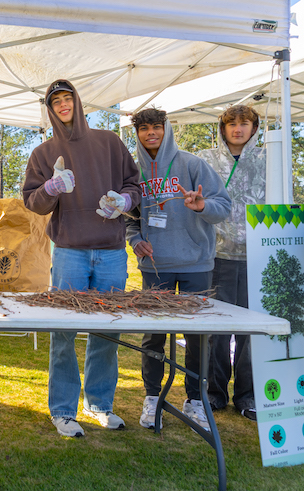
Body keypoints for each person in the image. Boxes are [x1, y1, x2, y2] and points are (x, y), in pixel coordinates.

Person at [23, 79, 140, 437]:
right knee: (63, 330)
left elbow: (134, 185)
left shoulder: (109, 142)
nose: (63, 105)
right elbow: (33, 202)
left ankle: (99, 404)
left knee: (107, 330)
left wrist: (124, 202)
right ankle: (62, 410)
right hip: (69, 251)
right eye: (55, 101)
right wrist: (51, 188)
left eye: (67, 98)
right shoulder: (44, 153)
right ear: (50, 109)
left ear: (77, 101)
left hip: (111, 252)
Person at [126, 108, 231, 431]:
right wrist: (135, 240)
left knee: (197, 336)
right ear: (137, 134)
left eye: (156, 127)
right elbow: (128, 217)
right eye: (144, 128)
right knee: (153, 334)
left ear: (166, 128)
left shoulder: (192, 164)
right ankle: (152, 397)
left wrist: (202, 206)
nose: (151, 133)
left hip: (195, 263)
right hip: (156, 265)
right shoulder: (132, 171)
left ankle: (195, 399)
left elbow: (223, 207)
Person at [199, 105, 265, 422]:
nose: (238, 129)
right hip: (218, 255)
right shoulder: (205, 160)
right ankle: (214, 393)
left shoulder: (268, 160)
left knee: (252, 331)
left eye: (244, 123)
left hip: (258, 257)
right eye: (232, 123)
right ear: (222, 128)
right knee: (218, 328)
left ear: (255, 127)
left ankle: (248, 395)